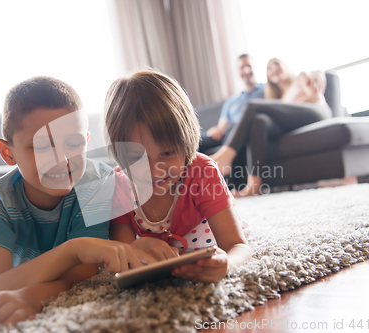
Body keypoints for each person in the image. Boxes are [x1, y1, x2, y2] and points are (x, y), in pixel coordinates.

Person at [0, 77, 155, 331]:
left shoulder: (97, 182)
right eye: (42, 146)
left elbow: (82, 274)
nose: (62, 159)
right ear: (8, 153)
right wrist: (75, 249)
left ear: (86, 142)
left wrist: (32, 296)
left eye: (74, 144)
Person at [104, 70, 252, 284]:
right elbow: (124, 256)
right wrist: (133, 249)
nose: (155, 171)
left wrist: (226, 264)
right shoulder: (118, 186)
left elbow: (238, 246)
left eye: (167, 153)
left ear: (186, 143)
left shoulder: (203, 172)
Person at [210, 58, 332, 197]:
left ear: (285, 65)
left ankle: (226, 155)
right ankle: (254, 185)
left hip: (317, 111)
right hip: (294, 121)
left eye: (276, 64)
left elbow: (314, 91)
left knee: (251, 106)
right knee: (258, 121)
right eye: (269, 68)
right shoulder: (281, 98)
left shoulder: (300, 78)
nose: (273, 69)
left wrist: (317, 75)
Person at [199, 54, 264, 152]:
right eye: (242, 67)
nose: (246, 70)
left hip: (247, 130)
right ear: (238, 71)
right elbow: (221, 128)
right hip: (227, 134)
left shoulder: (266, 90)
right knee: (190, 140)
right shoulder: (231, 100)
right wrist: (216, 131)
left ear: (255, 67)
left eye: (249, 66)